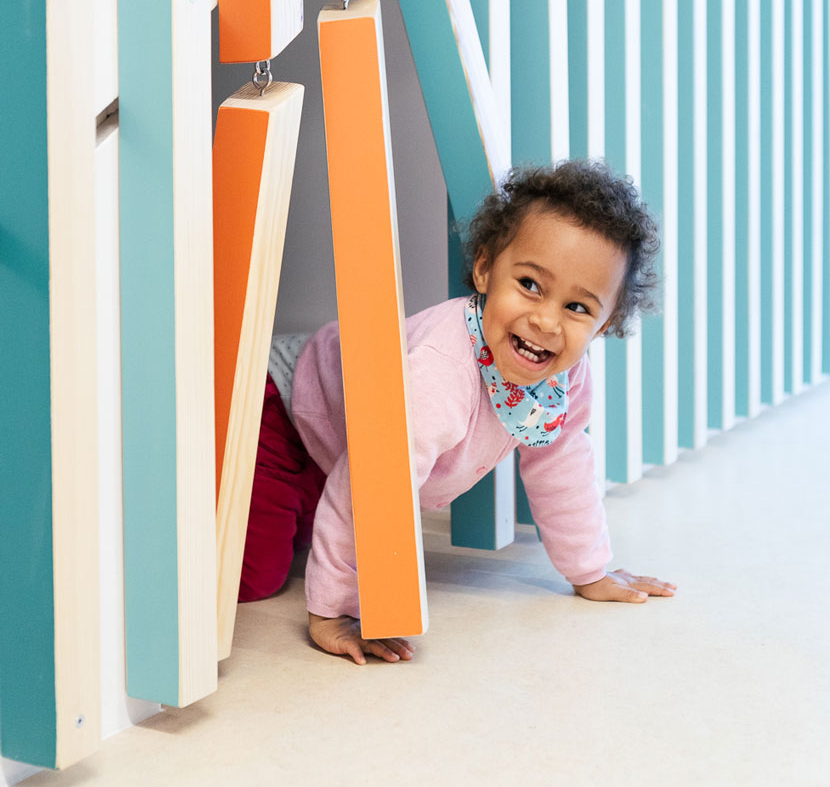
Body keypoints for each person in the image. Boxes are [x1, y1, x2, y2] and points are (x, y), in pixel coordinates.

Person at [239, 159, 677, 664]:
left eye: (578, 308)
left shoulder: (562, 379)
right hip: (282, 412)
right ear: (486, 269)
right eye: (531, 285)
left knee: (319, 525)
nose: (545, 321)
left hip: (336, 445)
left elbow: (562, 466)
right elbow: (375, 477)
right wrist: (333, 609)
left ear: (603, 326)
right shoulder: (442, 370)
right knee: (255, 575)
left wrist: (590, 571)